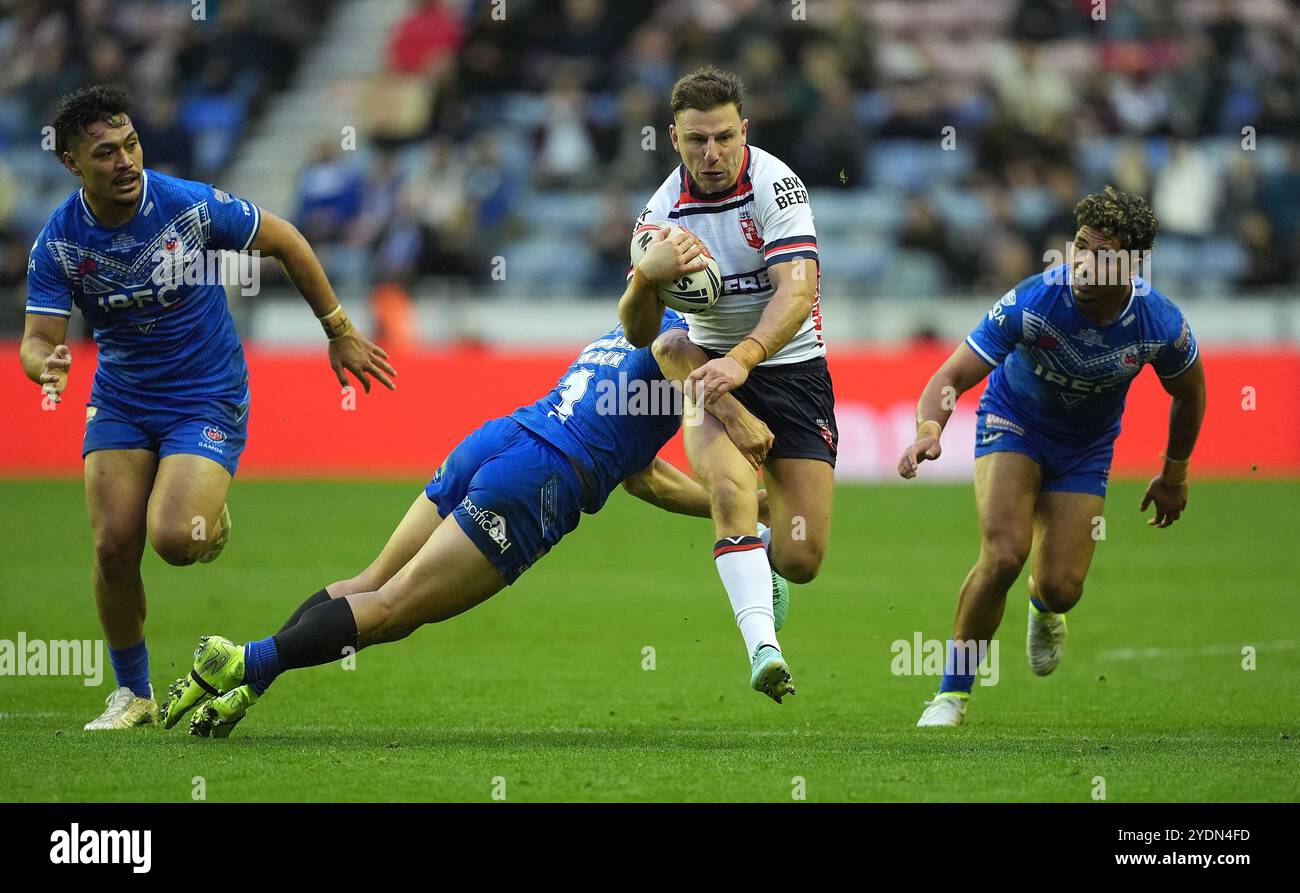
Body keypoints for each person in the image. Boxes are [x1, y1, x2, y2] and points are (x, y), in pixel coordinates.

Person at [158, 311, 787, 737]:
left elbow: (641, 475)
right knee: (395, 607)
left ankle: (243, 685)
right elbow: (680, 357)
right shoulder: (688, 340)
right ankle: (242, 659)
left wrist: (740, 510)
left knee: (371, 579)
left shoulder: (628, 327)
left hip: (498, 439)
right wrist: (735, 417)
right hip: (540, 481)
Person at [19, 85, 395, 730]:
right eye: (105, 152)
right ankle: (132, 692)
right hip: (121, 398)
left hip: (205, 393)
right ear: (72, 163)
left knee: (174, 541)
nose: (126, 161)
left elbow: (288, 240)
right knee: (112, 545)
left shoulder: (187, 208)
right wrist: (44, 365)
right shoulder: (59, 241)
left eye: (131, 144)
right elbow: (36, 339)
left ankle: (208, 520)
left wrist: (337, 329)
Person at [897, 187, 1206, 727]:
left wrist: (1174, 472)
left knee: (1062, 587)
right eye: (1081, 247)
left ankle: (1044, 608)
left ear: (1133, 265)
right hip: (1014, 422)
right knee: (1004, 554)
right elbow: (951, 375)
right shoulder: (1036, 300)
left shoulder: (1159, 324)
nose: (1083, 265)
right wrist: (930, 426)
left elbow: (1190, 394)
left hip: (1086, 448)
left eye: (1102, 256)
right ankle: (951, 695)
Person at [618, 66, 836, 703]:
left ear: (744, 130)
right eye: (695, 141)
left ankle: (768, 543)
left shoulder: (777, 186)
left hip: (790, 366)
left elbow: (798, 290)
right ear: (673, 138)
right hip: (706, 363)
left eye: (722, 138)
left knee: (802, 558)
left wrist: (746, 357)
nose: (710, 154)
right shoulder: (660, 216)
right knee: (725, 487)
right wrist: (643, 279)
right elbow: (639, 332)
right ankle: (763, 649)